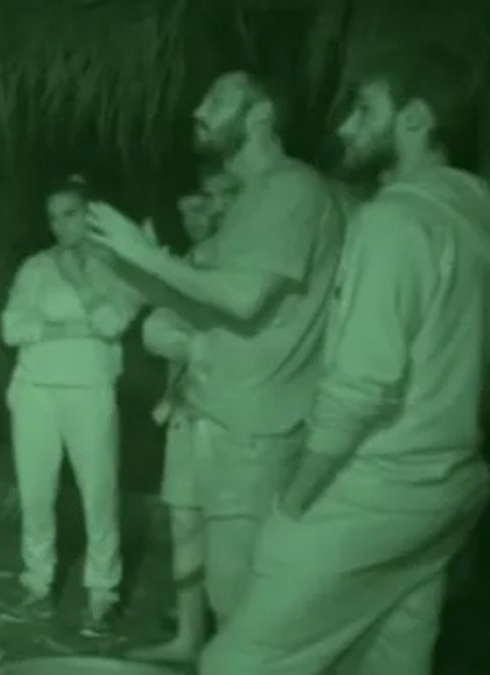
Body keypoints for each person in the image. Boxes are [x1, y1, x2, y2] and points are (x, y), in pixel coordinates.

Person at [201, 47, 490, 675]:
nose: (346, 128)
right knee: (391, 659)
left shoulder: (394, 222)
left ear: (416, 118)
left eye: (364, 110)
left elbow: (363, 385)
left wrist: (294, 501)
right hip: (450, 489)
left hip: (374, 487)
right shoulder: (475, 213)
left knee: (238, 662)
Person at [85, 70, 346, 633]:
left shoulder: (292, 187)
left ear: (261, 115)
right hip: (222, 415)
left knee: (244, 605)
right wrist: (126, 262)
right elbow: (203, 305)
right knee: (229, 597)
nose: (198, 109)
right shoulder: (253, 198)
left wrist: (148, 258)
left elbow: (245, 299)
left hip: (257, 425)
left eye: (218, 98)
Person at [0, 176, 144, 633]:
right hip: (35, 390)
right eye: (54, 217)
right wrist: (72, 328)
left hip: (90, 389)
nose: (62, 225)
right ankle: (37, 582)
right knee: (35, 492)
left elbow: (114, 322)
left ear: (90, 214)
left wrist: (80, 281)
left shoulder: (118, 264)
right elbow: (11, 328)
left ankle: (102, 591)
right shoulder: (35, 266)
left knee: (98, 493)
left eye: (71, 213)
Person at [129, 171, 238, 663]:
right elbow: (157, 327)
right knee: (184, 520)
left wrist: (194, 341)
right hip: (187, 412)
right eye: (188, 210)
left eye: (208, 204)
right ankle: (189, 636)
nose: (197, 217)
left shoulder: (249, 258)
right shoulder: (192, 261)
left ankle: (234, 643)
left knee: (233, 529)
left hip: (235, 419)